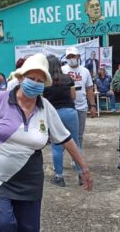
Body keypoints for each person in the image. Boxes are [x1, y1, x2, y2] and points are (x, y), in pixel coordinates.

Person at [0, 53, 93, 231]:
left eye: (39, 80)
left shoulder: (45, 107)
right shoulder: (0, 100)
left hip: (29, 181)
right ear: (20, 78)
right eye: (31, 78)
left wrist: (84, 168)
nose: (35, 82)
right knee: (3, 224)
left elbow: (66, 138)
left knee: (29, 228)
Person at [43, 55, 81, 187]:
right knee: (75, 143)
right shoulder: (68, 78)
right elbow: (73, 96)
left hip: (54, 115)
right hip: (71, 112)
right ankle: (81, 173)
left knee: (57, 146)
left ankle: (59, 177)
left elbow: (42, 102)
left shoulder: (45, 82)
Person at [62, 47, 97, 152]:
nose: (71, 58)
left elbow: (89, 89)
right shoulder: (62, 70)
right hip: (65, 108)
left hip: (81, 107)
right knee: (63, 135)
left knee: (79, 135)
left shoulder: (85, 71)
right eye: (69, 56)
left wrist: (93, 106)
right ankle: (59, 159)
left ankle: (76, 159)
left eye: (73, 56)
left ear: (78, 57)